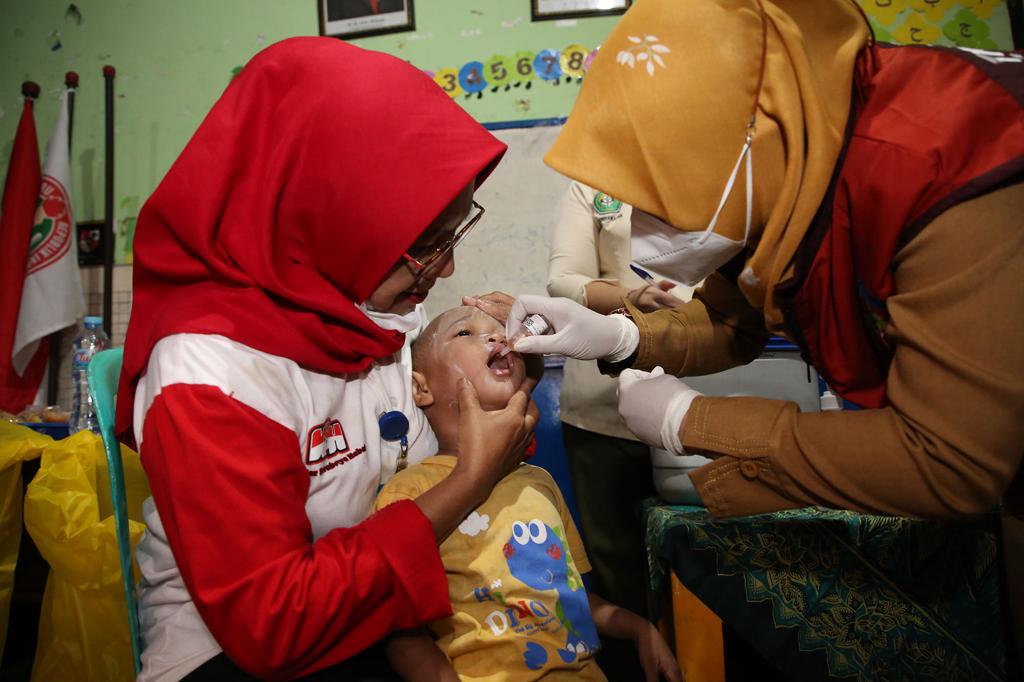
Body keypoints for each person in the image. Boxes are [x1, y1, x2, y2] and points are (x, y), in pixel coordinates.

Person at [484, 0, 1024, 522]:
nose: (645, 224)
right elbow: (728, 318)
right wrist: (621, 337)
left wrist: (692, 419)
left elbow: (949, 460)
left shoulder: (947, 158)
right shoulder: (795, 164)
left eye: (662, 189)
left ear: (753, 133)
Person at [114, 37, 539, 681]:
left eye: (454, 231)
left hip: (386, 619)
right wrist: (469, 480)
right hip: (242, 653)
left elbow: (459, 440)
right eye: (425, 243)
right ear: (323, 211)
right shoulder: (208, 372)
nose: (446, 265)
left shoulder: (376, 306)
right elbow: (274, 625)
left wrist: (512, 366)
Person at [374, 305, 683, 682]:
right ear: (421, 388)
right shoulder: (410, 493)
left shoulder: (539, 481)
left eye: (500, 330)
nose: (496, 337)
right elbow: (400, 632)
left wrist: (639, 629)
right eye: (465, 333)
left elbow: (564, 596)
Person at [546, 180, 689, 679]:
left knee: (711, 562)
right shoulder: (593, 183)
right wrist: (631, 295)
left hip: (704, 396)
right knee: (618, 566)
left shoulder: (725, 162)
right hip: (604, 405)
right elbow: (563, 280)